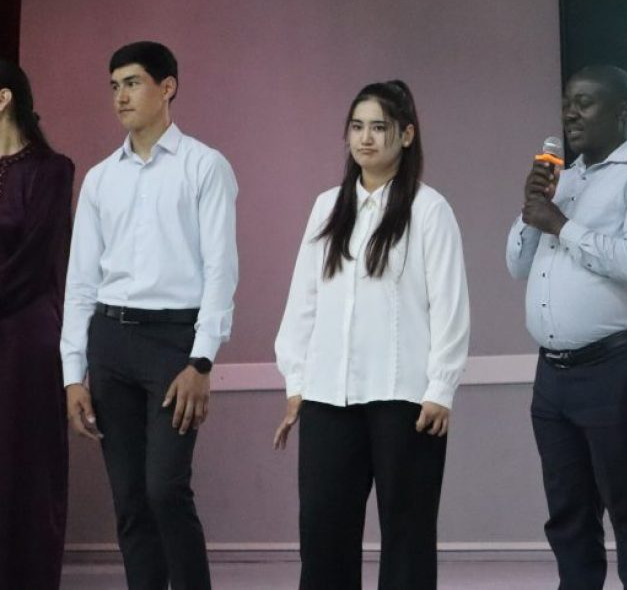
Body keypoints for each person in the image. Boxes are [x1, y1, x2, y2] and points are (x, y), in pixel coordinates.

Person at [274, 80, 469, 590]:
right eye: (357, 126)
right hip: (327, 396)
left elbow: (450, 306)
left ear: (406, 135)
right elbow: (303, 302)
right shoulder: (326, 207)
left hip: (405, 399)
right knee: (323, 535)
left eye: (379, 127)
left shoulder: (429, 210)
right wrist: (296, 381)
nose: (365, 138)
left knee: (407, 536)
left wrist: (441, 388)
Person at [61, 41, 239, 590]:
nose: (120, 96)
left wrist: (202, 360)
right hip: (110, 342)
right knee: (131, 502)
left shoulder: (204, 166)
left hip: (173, 345)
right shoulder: (100, 179)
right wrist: (73, 374)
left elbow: (221, 271)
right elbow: (80, 282)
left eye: (133, 83)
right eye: (114, 86)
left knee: (165, 489)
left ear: (167, 87)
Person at [505, 65, 627, 590]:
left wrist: (561, 224)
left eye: (585, 103)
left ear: (623, 112)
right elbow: (517, 265)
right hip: (553, 375)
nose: (571, 113)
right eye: (567, 102)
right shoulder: (566, 178)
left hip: (618, 365)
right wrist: (532, 207)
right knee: (568, 510)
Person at [0, 60, 73, 590]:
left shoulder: (52, 170)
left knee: (23, 459)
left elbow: (36, 259)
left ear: (3, 98)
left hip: (25, 332)